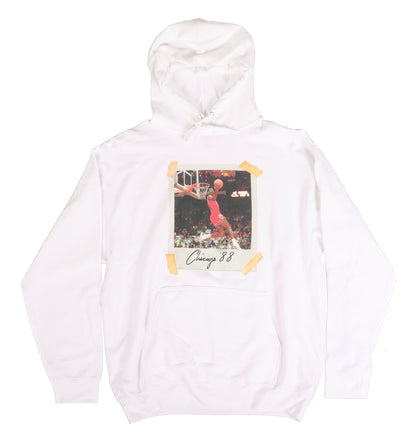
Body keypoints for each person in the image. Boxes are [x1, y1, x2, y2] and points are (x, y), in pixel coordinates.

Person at [199, 183, 240, 249]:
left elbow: (214, 198)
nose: (212, 191)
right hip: (216, 215)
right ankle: (234, 242)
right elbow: (214, 197)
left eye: (213, 190)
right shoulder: (209, 197)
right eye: (210, 190)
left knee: (221, 234)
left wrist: (216, 190)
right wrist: (217, 189)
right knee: (228, 226)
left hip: (213, 217)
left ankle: (205, 236)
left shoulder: (213, 199)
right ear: (208, 192)